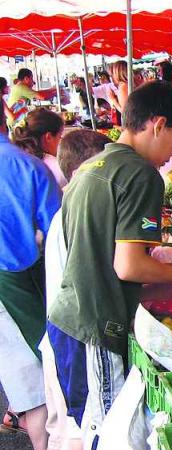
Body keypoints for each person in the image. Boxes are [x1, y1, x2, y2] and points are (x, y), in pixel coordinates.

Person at [47, 81, 172, 449]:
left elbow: (100, 256)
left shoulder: (93, 165)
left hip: (68, 320)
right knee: (113, 432)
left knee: (92, 424)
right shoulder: (141, 175)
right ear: (156, 124)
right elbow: (128, 266)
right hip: (96, 324)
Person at [42, 129, 112, 450]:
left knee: (72, 424)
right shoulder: (77, 213)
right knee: (82, 426)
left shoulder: (71, 209)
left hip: (63, 329)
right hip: (73, 335)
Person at [0, 104, 60, 450]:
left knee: (20, 383)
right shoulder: (28, 168)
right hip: (13, 287)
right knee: (39, 389)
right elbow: (58, 239)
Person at [12, 108, 67, 188]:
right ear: (48, 137)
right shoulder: (56, 168)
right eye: (60, 136)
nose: (61, 141)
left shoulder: (15, 157)